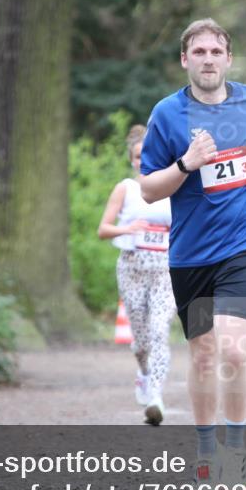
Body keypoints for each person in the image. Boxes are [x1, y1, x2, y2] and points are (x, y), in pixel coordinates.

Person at [139, 18, 246, 489]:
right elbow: (147, 189)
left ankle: (236, 451)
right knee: (203, 356)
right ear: (185, 60)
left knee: (234, 349)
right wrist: (186, 164)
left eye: (215, 52)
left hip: (245, 244)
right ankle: (205, 450)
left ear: (228, 59)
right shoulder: (167, 114)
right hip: (189, 254)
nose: (207, 59)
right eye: (198, 52)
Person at [98, 125, 176, 425]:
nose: (144, 160)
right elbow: (103, 229)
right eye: (138, 156)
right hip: (131, 268)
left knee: (159, 332)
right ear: (132, 160)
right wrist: (127, 229)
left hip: (165, 271)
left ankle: (155, 396)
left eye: (149, 155)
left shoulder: (174, 189)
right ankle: (143, 374)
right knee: (141, 341)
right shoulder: (126, 189)